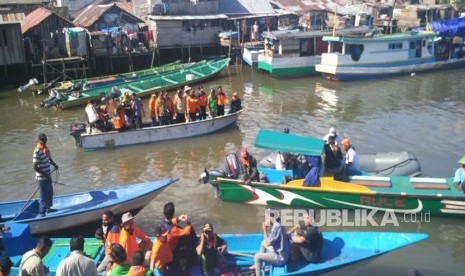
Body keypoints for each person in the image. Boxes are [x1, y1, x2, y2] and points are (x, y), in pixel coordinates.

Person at [160, 202, 199, 275]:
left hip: (166, 245)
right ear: (173, 213)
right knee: (189, 238)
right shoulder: (173, 230)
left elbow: (170, 222)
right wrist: (188, 223)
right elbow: (186, 232)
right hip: (172, 250)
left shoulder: (162, 221)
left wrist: (179, 219)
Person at [250, 211, 290, 275]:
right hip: (282, 252)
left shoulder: (276, 227)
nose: (266, 220)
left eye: (267, 218)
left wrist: (264, 230)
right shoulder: (279, 223)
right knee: (263, 242)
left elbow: (269, 243)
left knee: (257, 256)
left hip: (279, 258)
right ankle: (256, 264)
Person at [33, 133, 59, 216]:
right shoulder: (36, 151)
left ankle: (48, 208)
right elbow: (35, 167)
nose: (43, 141)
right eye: (42, 140)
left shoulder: (46, 149)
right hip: (41, 178)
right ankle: (42, 212)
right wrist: (44, 174)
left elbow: (49, 158)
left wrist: (54, 164)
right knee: (43, 195)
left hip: (48, 175)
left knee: (49, 192)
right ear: (39, 140)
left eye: (44, 140)